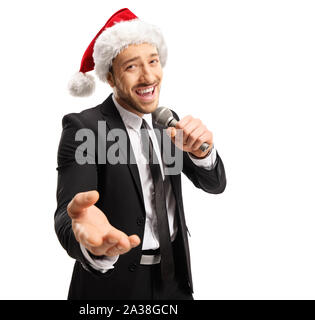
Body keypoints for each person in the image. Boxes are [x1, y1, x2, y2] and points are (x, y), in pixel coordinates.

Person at [55, 8, 226, 300]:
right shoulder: (85, 129)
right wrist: (93, 247)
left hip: (173, 283)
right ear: (110, 77)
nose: (149, 76)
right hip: (111, 288)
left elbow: (214, 184)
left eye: (153, 61)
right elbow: (69, 216)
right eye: (132, 67)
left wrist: (202, 154)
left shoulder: (167, 121)